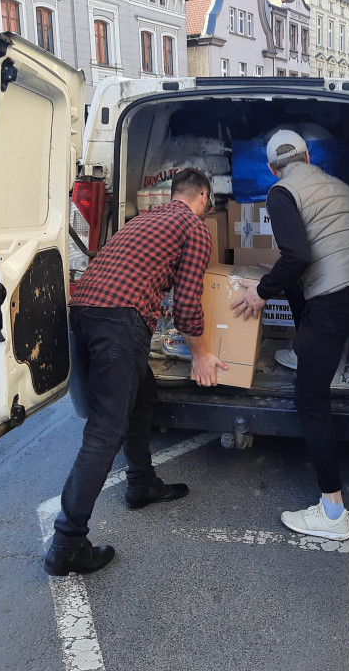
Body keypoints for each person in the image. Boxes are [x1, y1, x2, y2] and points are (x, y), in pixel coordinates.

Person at [44, 168, 228, 577]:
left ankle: (141, 483)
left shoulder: (142, 221)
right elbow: (187, 302)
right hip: (119, 325)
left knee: (142, 394)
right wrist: (200, 354)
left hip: (84, 313)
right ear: (202, 196)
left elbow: (129, 272)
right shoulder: (194, 227)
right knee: (104, 432)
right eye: (209, 201)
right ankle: (66, 543)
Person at [230, 129, 349, 541]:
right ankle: (306, 349)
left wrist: (260, 292)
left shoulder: (280, 193)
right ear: (308, 155)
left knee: (310, 401)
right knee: (297, 292)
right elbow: (314, 257)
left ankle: (333, 513)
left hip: (335, 300)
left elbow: (297, 255)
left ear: (270, 168)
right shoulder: (338, 186)